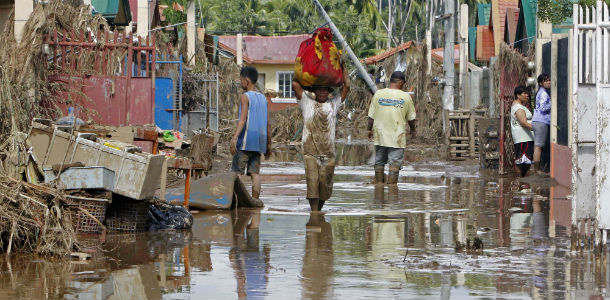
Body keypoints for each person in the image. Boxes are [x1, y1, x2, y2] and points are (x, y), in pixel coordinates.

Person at [292, 71, 350, 212]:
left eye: (325, 90)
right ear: (315, 91)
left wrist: (343, 66)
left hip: (328, 153)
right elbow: (295, 84)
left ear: (329, 92)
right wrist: (301, 65)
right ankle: (315, 213)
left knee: (325, 187)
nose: (322, 92)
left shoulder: (333, 104)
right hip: (310, 151)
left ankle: (318, 210)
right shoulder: (307, 102)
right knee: (312, 184)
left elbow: (347, 86)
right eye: (319, 89)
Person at [231, 66, 271, 207]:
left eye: (241, 80)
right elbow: (267, 124)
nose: (240, 82)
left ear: (247, 80)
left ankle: (237, 201)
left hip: (246, 141)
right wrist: (268, 145)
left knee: (237, 173)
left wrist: (235, 137)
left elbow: (242, 119)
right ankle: (255, 201)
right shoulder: (263, 98)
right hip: (260, 142)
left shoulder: (245, 96)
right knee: (255, 173)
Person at [367, 71, 417, 184]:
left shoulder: (378, 94)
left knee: (379, 162)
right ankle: (392, 190)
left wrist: (369, 130)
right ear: (400, 82)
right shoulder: (406, 97)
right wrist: (413, 130)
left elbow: (371, 116)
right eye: (403, 83)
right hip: (397, 136)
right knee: (394, 164)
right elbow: (411, 119)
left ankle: (379, 188)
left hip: (380, 135)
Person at [511, 85, 535, 177]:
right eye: (524, 93)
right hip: (523, 138)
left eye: (527, 93)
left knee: (525, 161)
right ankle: (520, 181)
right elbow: (523, 123)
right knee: (522, 161)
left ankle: (522, 183)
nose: (527, 95)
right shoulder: (518, 107)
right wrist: (536, 129)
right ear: (518, 95)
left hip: (525, 137)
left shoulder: (519, 106)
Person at [532, 74, 551, 177]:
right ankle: (537, 170)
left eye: (549, 80)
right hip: (541, 121)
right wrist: (553, 102)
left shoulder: (540, 92)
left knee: (538, 146)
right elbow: (543, 108)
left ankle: (537, 169)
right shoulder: (543, 93)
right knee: (539, 146)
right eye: (546, 81)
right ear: (540, 83)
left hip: (538, 121)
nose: (549, 82)